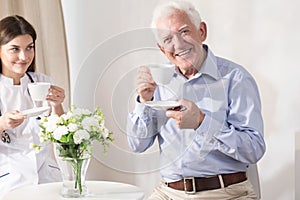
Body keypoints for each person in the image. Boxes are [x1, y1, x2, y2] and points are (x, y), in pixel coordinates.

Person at [127, 1, 266, 199]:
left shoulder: (235, 78)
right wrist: (143, 101)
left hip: (225, 193)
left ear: (202, 31)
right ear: (161, 48)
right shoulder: (159, 82)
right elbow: (137, 145)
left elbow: (254, 149)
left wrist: (202, 122)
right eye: (167, 39)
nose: (178, 44)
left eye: (184, 32)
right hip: (168, 193)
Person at [0, 15, 65, 196]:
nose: (24, 56)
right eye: (15, 49)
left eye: (29, 48)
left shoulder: (43, 82)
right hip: (9, 178)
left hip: (46, 175)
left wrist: (57, 106)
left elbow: (61, 134)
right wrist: (2, 124)